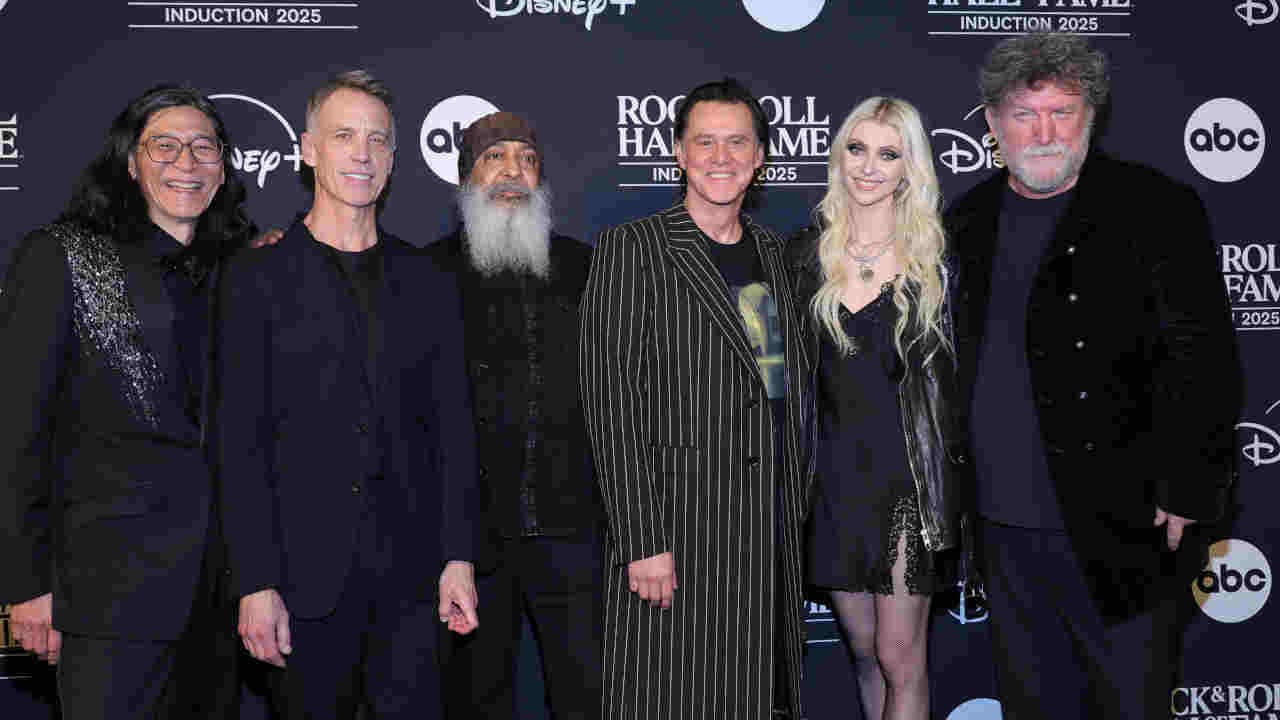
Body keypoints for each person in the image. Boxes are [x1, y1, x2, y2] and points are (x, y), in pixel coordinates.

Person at [947, 32, 1239, 720]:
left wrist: (1189, 484)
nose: (1043, 132)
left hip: (1123, 522)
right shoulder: (966, 220)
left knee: (1132, 703)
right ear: (992, 123)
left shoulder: (1156, 207)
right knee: (1031, 706)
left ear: (1092, 117)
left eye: (1063, 112)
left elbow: (1206, 356)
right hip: (1003, 528)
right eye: (1024, 113)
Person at [216, 70, 479, 719]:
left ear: (393, 157)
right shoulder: (256, 278)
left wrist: (458, 556)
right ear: (308, 148)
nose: (361, 154)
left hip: (414, 590)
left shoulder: (428, 280)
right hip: (301, 587)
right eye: (343, 136)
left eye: (376, 140)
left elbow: (453, 428)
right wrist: (255, 584)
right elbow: (238, 443)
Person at [0, 84, 252, 719]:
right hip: (105, 593)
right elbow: (15, 430)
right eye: (163, 146)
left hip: (219, 597)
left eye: (204, 147)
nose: (186, 163)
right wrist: (25, 587)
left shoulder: (242, 270)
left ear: (224, 167)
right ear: (130, 161)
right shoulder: (63, 257)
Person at [580, 77, 814, 720]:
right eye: (704, 142)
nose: (721, 156)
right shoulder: (634, 249)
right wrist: (641, 537)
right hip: (675, 536)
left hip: (764, 534)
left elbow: (778, 387)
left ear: (762, 156)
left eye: (737, 142)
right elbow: (611, 404)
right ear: (678, 154)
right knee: (668, 699)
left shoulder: (776, 255)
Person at [429, 111, 602, 720]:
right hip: (467, 540)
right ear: (466, 176)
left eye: (526, 160)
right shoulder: (426, 274)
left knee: (588, 697)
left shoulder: (587, 269)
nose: (512, 173)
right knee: (475, 700)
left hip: (575, 531)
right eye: (494, 158)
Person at [792, 96, 959, 720]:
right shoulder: (802, 257)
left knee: (899, 654)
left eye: (888, 154)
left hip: (908, 484)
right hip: (832, 483)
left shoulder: (938, 263)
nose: (868, 167)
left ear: (910, 168)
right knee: (864, 650)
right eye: (856, 149)